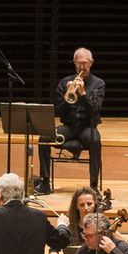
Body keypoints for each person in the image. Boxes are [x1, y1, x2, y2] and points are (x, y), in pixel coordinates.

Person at [35, 48, 106, 192]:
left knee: (95, 141)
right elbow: (58, 110)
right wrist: (69, 97)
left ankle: (93, 186)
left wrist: (83, 93)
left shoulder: (98, 84)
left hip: (88, 127)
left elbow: (95, 110)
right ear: (74, 63)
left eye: (85, 63)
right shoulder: (64, 82)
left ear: (91, 63)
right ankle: (45, 182)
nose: (82, 67)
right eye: (78, 64)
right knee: (43, 138)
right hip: (69, 127)